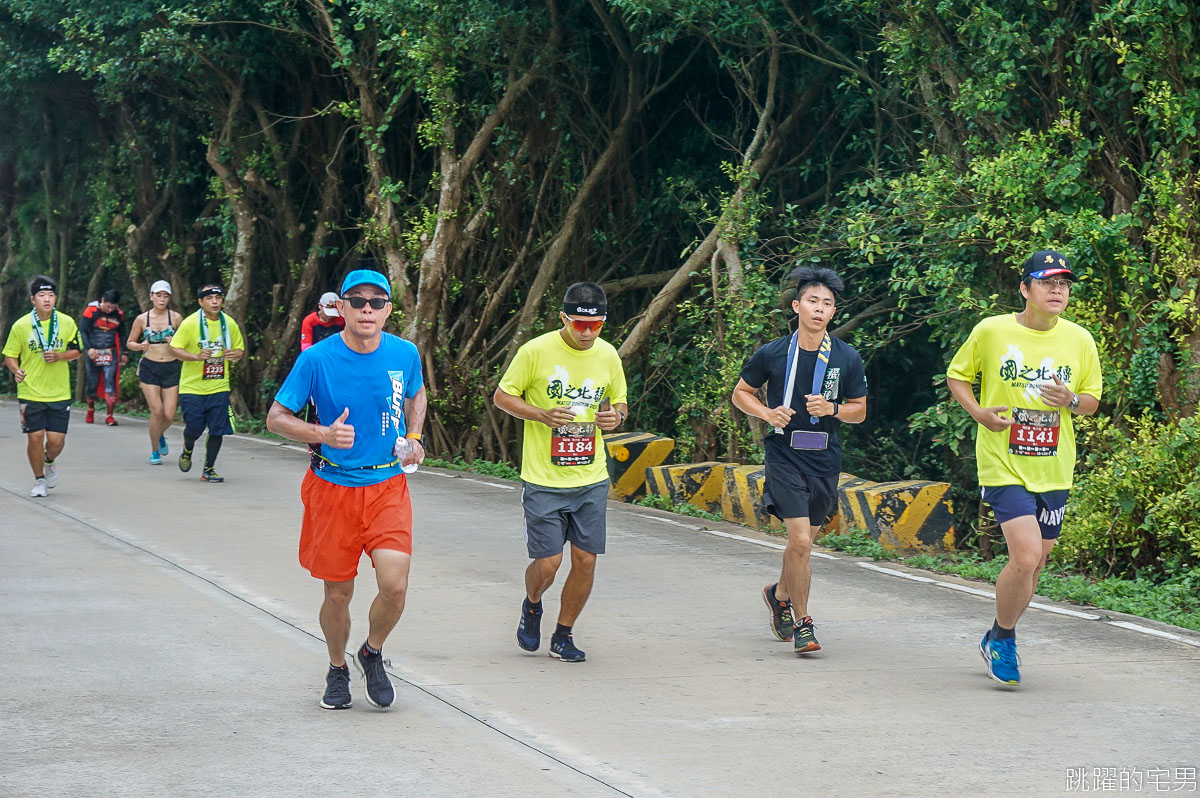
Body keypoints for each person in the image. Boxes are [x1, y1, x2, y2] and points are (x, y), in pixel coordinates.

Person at [265, 269, 427, 711]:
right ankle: (337, 668)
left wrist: (414, 437)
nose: (367, 309)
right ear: (342, 308)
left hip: (387, 486)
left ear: (389, 309)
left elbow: (416, 393)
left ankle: (371, 652)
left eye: (377, 301)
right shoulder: (317, 359)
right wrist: (320, 433)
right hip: (332, 487)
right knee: (338, 593)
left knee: (395, 586)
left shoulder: (405, 353)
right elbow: (276, 418)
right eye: (357, 301)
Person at [946, 250, 1101, 687]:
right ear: (1025, 289)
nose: (1057, 291)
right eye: (1048, 282)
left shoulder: (1079, 340)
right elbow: (957, 375)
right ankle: (1006, 640)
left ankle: (996, 632)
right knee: (1026, 553)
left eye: (1064, 284)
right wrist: (978, 412)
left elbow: (1091, 402)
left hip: (1055, 467)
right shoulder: (991, 331)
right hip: (1003, 462)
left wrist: (1070, 400)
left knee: (1035, 566)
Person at [732, 266, 867, 655]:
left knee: (803, 546)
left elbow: (859, 410)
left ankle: (778, 594)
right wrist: (766, 412)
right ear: (797, 306)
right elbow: (741, 393)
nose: (819, 309)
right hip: (784, 453)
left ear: (834, 312)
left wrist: (834, 407)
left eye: (827, 303)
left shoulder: (846, 357)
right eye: (812, 301)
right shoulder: (773, 352)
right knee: (801, 541)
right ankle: (803, 623)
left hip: (825, 457)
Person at [493, 282, 628, 663]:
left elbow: (620, 402)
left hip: (590, 478)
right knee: (549, 563)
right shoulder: (535, 351)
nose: (587, 334)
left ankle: (564, 634)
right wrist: (540, 414)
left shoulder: (608, 355)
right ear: (563, 319)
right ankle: (532, 602)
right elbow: (502, 396)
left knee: (586, 560)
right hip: (543, 479)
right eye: (579, 326)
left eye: (596, 326)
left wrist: (614, 416)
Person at [3, 275, 83, 497]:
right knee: (35, 437)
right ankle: (38, 480)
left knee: (56, 441)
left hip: (59, 391)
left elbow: (78, 351)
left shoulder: (67, 322)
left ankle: (49, 461)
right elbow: (10, 354)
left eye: (50, 295)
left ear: (56, 298)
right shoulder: (21, 325)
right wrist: (16, 369)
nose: (47, 299)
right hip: (30, 390)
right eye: (41, 295)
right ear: (33, 299)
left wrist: (60, 356)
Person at [168, 283, 245, 483]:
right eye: (209, 298)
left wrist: (233, 354)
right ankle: (188, 448)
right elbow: (174, 348)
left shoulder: (229, 324)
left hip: (219, 385)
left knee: (218, 429)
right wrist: (195, 356)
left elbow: (239, 351)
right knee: (194, 428)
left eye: (218, 298)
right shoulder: (190, 323)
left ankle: (208, 469)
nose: (214, 302)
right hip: (192, 387)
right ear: (200, 302)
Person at [127, 280, 183, 465]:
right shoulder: (143, 319)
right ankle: (154, 450)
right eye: (158, 295)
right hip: (149, 366)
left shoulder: (175, 318)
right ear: (151, 296)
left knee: (169, 414)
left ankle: (159, 434)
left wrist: (174, 341)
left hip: (171, 367)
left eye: (165, 296)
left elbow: (185, 342)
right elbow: (130, 342)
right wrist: (140, 346)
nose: (161, 299)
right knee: (157, 412)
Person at [80, 288, 127, 425]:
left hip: (110, 352)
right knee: (93, 383)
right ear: (102, 301)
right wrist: (89, 348)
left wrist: (125, 352)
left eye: (112, 307)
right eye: (107, 306)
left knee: (110, 382)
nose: (109, 310)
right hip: (93, 351)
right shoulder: (91, 311)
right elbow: (83, 331)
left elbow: (123, 333)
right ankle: (90, 409)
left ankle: (109, 415)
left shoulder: (119, 314)